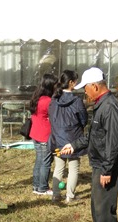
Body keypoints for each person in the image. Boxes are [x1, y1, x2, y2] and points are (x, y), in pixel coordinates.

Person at [61, 67, 118, 222]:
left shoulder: (110, 108)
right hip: (101, 163)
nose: (85, 92)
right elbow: (93, 136)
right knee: (97, 202)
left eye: (86, 88)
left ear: (95, 86)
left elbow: (114, 143)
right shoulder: (101, 106)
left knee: (105, 205)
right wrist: (73, 145)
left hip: (109, 165)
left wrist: (107, 170)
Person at [49, 70, 88, 203]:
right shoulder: (77, 100)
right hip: (73, 139)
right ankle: (70, 196)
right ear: (71, 82)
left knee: (58, 167)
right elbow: (83, 119)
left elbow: (51, 118)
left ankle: (56, 195)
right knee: (73, 167)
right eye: (76, 81)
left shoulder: (54, 100)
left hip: (57, 138)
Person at [29, 73, 58, 196]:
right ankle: (43, 187)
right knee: (45, 162)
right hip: (44, 136)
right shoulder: (48, 101)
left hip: (35, 134)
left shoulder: (36, 98)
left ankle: (36, 186)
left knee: (39, 160)